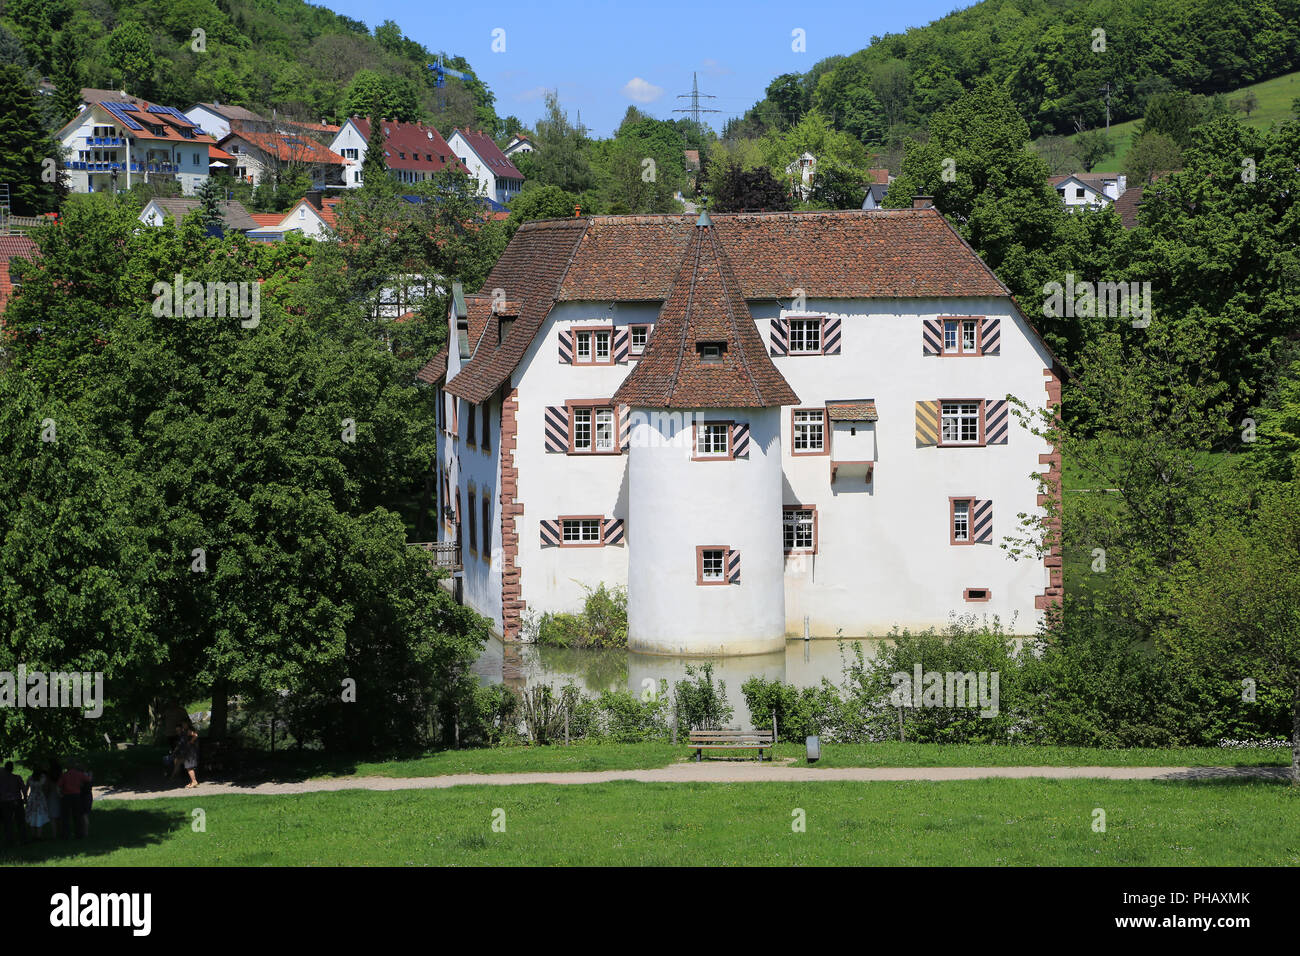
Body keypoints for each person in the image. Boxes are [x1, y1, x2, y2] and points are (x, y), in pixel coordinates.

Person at [57, 763, 89, 838]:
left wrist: (60, 795)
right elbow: (88, 780)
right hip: (76, 796)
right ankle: (79, 834)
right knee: (77, 816)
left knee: (65, 817)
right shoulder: (79, 774)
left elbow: (58, 786)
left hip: (66, 796)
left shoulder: (64, 775)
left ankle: (65, 834)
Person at [0, 761, 25, 846]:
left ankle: (9, 840)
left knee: (7, 822)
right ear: (12, 768)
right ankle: (22, 839)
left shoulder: (1, 780)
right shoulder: (17, 778)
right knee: (20, 821)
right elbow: (23, 789)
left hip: (5, 802)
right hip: (17, 801)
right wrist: (25, 798)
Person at [25, 767, 50, 839]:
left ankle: (33, 835)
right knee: (40, 816)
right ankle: (39, 835)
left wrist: (26, 798)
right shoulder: (43, 778)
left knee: (32, 816)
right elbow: (46, 788)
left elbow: (26, 788)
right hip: (40, 798)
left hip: (32, 798)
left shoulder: (30, 778)